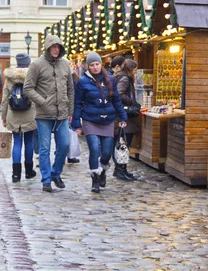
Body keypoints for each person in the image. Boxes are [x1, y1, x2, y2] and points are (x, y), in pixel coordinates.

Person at [24, 35, 74, 193]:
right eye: (53, 46)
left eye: (58, 47)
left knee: (64, 145)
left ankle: (56, 173)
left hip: (62, 114)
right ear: (47, 47)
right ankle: (46, 180)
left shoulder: (65, 65)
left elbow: (70, 89)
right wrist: (42, 101)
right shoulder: (37, 65)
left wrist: (70, 110)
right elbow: (28, 88)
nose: (56, 49)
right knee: (44, 148)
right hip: (43, 114)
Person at [72, 52, 127, 193]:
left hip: (107, 120)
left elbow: (116, 100)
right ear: (88, 67)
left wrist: (122, 117)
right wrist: (77, 124)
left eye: (97, 64)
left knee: (107, 153)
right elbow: (77, 103)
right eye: (92, 65)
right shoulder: (83, 81)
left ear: (100, 64)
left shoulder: (110, 79)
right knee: (94, 149)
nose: (95, 67)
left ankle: (103, 171)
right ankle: (94, 180)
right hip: (90, 120)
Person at [1, 53, 36, 182]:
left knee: (17, 142)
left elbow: (5, 99)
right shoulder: (33, 76)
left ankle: (15, 175)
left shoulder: (10, 77)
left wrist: (3, 117)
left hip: (13, 114)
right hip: (30, 114)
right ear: (28, 62)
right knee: (29, 141)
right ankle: (28, 171)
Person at [113, 58, 140, 181]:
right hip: (124, 117)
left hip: (121, 116)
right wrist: (132, 102)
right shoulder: (124, 79)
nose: (135, 72)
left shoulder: (121, 77)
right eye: (134, 69)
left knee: (122, 144)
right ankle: (120, 171)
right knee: (124, 144)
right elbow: (119, 93)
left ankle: (121, 170)